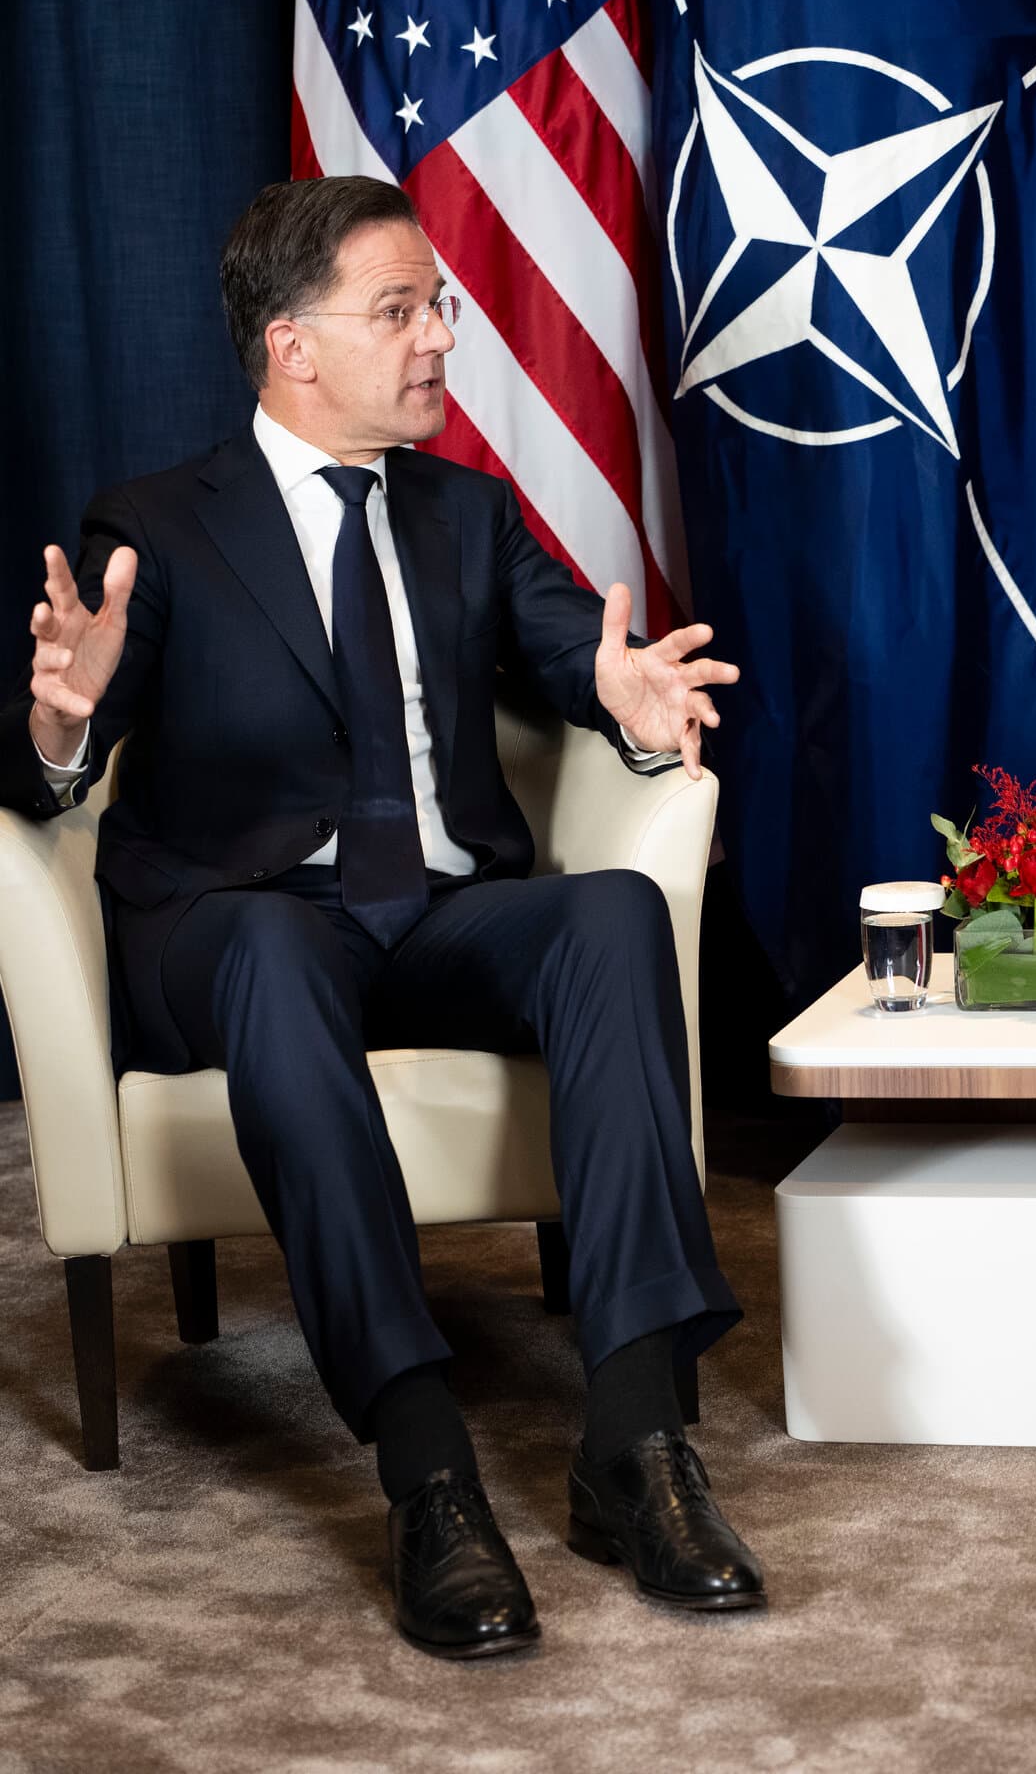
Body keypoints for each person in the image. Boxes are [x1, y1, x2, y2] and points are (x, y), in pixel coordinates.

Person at [0, 176, 764, 1657]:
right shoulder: (156, 525)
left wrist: (628, 704)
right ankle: (425, 1467)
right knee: (283, 949)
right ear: (292, 345)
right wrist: (60, 728)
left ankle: (636, 1441)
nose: (438, 342)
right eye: (399, 312)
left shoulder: (467, 515)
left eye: (440, 308)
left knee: (608, 912)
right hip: (237, 934)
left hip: (433, 922)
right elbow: (46, 783)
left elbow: (574, 655)